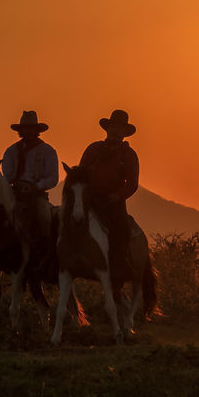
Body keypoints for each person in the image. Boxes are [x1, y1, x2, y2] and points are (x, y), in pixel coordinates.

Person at [78, 109, 140, 279]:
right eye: (112, 127)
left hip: (113, 202)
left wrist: (119, 195)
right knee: (66, 221)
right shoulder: (94, 149)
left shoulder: (129, 155)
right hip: (89, 198)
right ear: (107, 129)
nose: (114, 131)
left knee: (121, 230)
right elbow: (81, 172)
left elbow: (133, 184)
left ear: (123, 133)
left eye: (118, 129)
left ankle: (120, 265)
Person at [0, 110, 60, 267]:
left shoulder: (47, 151)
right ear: (20, 130)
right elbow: (7, 175)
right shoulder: (11, 151)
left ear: (37, 130)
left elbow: (53, 177)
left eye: (31, 128)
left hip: (37, 196)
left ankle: (47, 252)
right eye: (25, 128)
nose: (27, 131)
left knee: (45, 218)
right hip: (15, 193)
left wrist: (37, 186)